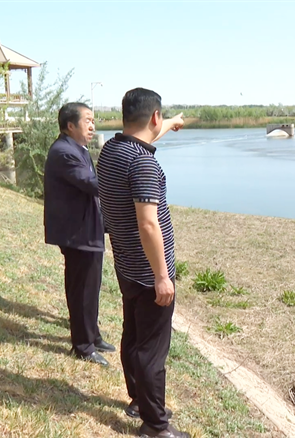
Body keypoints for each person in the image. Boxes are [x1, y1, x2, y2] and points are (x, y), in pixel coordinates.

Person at [96, 88, 187, 438]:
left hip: (127, 266)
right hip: (150, 274)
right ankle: (155, 425)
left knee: (133, 337)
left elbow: (144, 140)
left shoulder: (112, 150)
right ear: (154, 117)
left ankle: (138, 400)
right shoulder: (143, 163)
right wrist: (163, 276)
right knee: (151, 350)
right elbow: (148, 224)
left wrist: (171, 122)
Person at [43, 102, 116, 367]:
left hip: (86, 230)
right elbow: (92, 184)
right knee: (83, 289)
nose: (92, 126)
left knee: (89, 287)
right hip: (78, 234)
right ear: (70, 125)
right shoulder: (64, 152)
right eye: (87, 120)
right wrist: (126, 176)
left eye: (93, 121)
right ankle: (83, 346)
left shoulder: (76, 148)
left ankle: (92, 335)